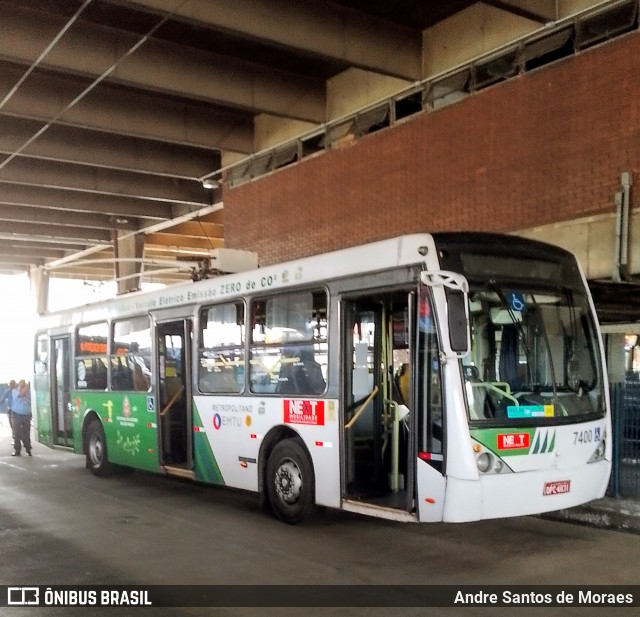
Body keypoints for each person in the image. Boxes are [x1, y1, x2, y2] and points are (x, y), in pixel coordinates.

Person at [11, 380, 32, 456]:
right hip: (16, 414)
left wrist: (27, 390)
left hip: (26, 414)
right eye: (21, 385)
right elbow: (20, 395)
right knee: (17, 433)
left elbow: (30, 400)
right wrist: (25, 388)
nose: (22, 386)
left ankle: (28, 449)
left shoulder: (29, 392)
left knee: (26, 433)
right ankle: (17, 450)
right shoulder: (15, 391)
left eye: (24, 385)